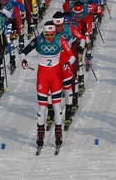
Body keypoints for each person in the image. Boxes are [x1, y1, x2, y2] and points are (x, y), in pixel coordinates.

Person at [20, 21, 76, 149]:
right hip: (42, 77)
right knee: (42, 108)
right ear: (43, 33)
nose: (49, 38)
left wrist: (68, 63)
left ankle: (58, 134)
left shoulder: (60, 39)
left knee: (57, 107)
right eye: (47, 35)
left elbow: (72, 56)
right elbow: (24, 52)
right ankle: (40, 134)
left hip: (56, 77)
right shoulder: (38, 40)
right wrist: (23, 60)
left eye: (52, 35)